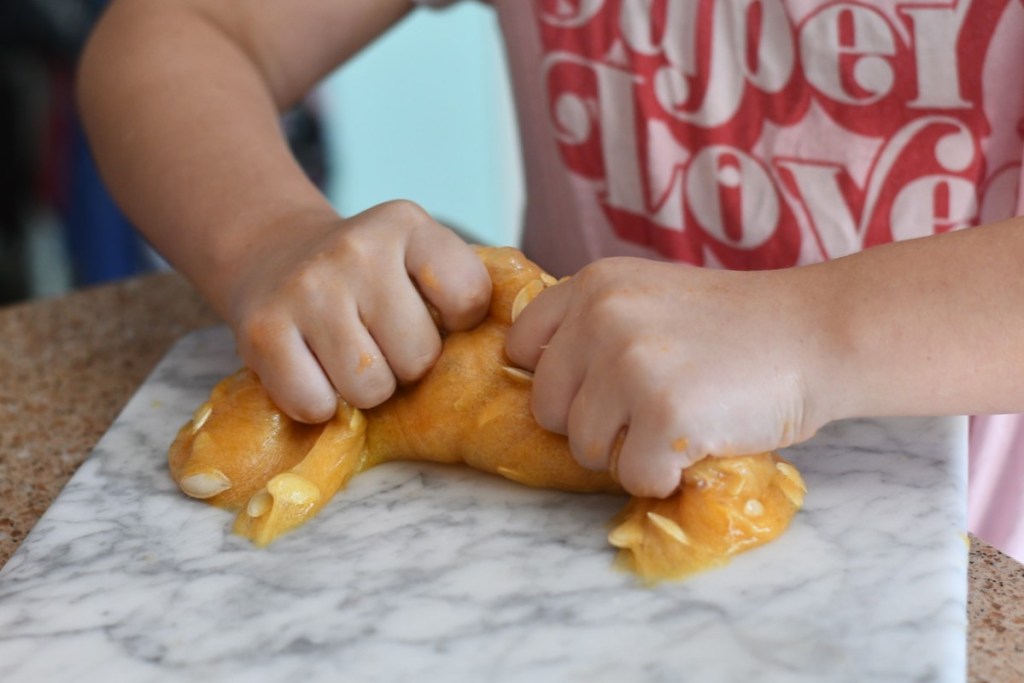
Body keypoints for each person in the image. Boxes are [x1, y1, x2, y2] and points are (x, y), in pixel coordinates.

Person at [77, 1, 1024, 546]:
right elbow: (187, 31)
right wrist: (269, 235)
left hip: (979, 556)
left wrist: (813, 333)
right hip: (557, 537)